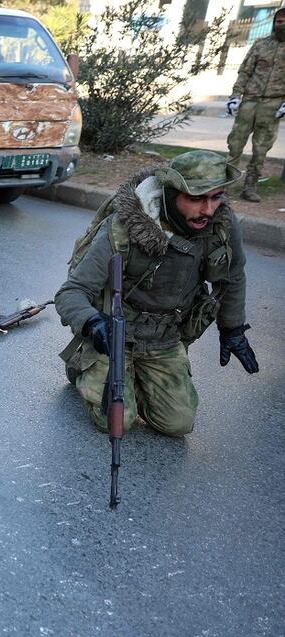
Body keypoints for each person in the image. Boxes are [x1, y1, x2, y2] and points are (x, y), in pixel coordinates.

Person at [55, 150, 257, 437]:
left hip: (165, 339)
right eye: (197, 198)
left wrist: (233, 329)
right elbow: (71, 292)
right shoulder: (124, 228)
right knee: (116, 421)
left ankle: (135, 379)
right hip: (116, 337)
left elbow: (233, 275)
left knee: (178, 424)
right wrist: (94, 324)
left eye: (216, 197)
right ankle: (84, 366)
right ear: (171, 194)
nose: (209, 210)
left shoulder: (220, 226)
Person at [226, 6, 285, 202]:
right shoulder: (260, 45)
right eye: (279, 21)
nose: (281, 24)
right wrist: (235, 96)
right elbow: (245, 72)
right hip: (249, 101)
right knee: (235, 144)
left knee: (261, 149)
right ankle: (225, 184)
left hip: (272, 105)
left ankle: (249, 187)